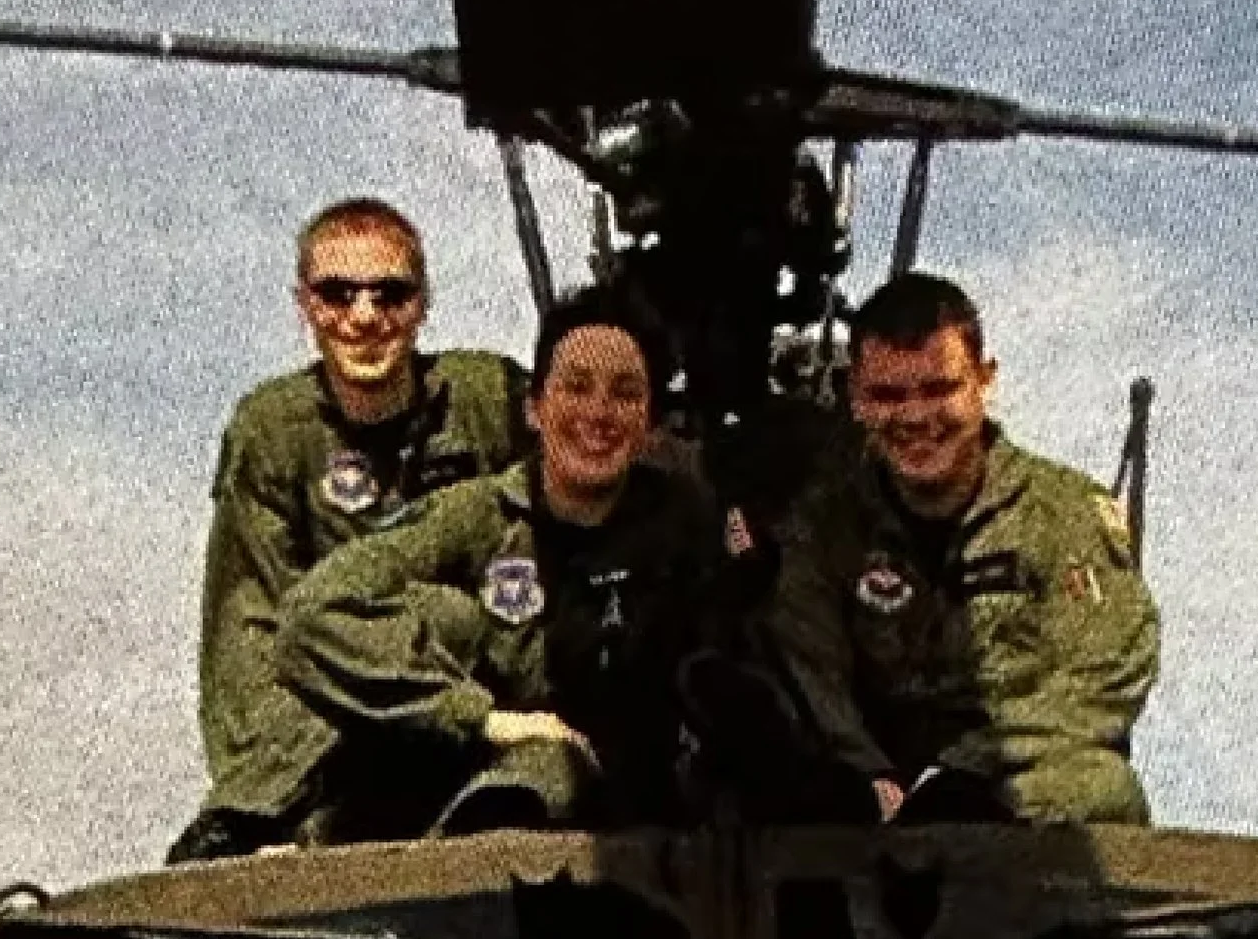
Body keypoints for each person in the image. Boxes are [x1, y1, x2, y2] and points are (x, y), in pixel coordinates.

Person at [179, 283, 752, 848]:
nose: (598, 414)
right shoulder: (478, 516)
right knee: (508, 732)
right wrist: (482, 719)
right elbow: (315, 610)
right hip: (513, 780)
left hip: (651, 812)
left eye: (624, 393)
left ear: (651, 423)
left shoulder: (688, 523)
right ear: (535, 408)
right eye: (576, 388)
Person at [764, 270, 1159, 824]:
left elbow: (1107, 671)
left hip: (1011, 782)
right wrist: (869, 777)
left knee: (1101, 785)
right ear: (854, 398)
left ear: (985, 380)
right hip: (872, 798)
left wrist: (965, 772)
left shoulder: (1062, 513)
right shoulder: (824, 525)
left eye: (939, 389)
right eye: (888, 395)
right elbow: (807, 666)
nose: (916, 417)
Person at [198, 194, 527, 783]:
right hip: (343, 717)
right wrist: (257, 798)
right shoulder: (274, 431)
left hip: (486, 708)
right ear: (305, 305)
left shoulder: (487, 401)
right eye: (337, 294)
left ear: (423, 305)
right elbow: (245, 631)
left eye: (391, 294)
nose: (366, 315)